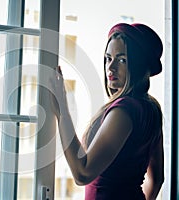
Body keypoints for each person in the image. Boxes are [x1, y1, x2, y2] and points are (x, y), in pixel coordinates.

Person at [51, 23, 164, 200]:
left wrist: (62, 110)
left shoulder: (125, 110)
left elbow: (82, 173)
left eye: (121, 60)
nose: (110, 68)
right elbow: (157, 180)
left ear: (139, 66)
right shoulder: (152, 109)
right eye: (108, 58)